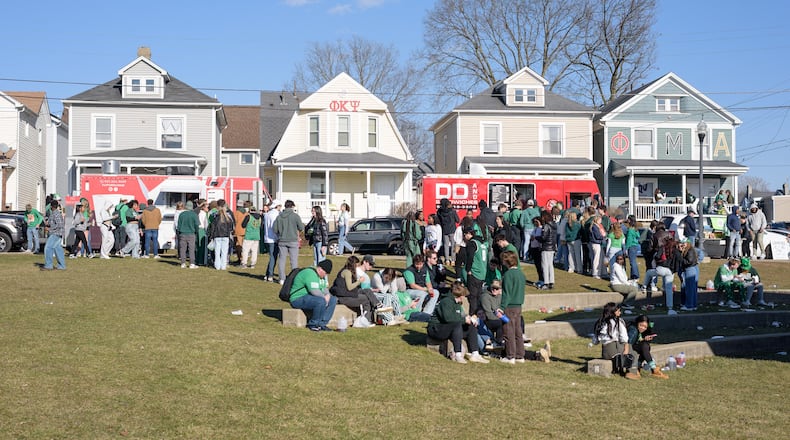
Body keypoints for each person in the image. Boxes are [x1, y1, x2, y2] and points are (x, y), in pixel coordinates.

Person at [426, 281, 490, 364]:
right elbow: (448, 319)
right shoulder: (446, 302)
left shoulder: (457, 303)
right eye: (463, 296)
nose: (464, 298)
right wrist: (463, 320)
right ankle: (457, 354)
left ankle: (475, 353)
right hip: (436, 329)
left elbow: (457, 316)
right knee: (456, 325)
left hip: (449, 328)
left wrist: (468, 319)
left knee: (471, 326)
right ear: (459, 296)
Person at [592, 302, 640, 380]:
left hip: (605, 352)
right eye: (618, 311)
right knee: (633, 352)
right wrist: (626, 346)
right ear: (613, 312)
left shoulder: (600, 322)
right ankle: (631, 371)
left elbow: (595, 341)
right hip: (614, 348)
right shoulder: (618, 321)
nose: (620, 313)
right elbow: (624, 336)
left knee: (626, 350)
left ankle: (625, 369)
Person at [289, 259, 337, 332]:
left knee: (333, 299)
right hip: (297, 298)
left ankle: (322, 324)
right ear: (320, 269)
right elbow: (314, 291)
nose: (325, 275)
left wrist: (327, 295)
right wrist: (324, 298)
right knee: (320, 301)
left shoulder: (321, 277)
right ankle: (313, 324)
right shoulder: (310, 273)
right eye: (325, 273)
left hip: (309, 298)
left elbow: (324, 288)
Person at [330, 256, 381, 322]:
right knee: (365, 299)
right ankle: (367, 320)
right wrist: (359, 281)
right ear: (353, 264)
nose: (357, 267)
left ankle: (377, 305)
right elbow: (349, 287)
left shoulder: (349, 271)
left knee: (367, 291)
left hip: (347, 293)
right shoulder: (347, 272)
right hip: (343, 296)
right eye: (357, 265)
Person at [499, 250, 526, 363]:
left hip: (509, 306)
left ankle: (511, 356)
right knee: (518, 331)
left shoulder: (508, 275)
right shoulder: (521, 274)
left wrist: (501, 306)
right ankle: (520, 355)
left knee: (508, 331)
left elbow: (507, 293)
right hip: (518, 305)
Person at [273, 200, 305, 285]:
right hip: (293, 240)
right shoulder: (295, 216)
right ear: (292, 206)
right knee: (293, 260)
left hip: (282, 240)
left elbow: (275, 229)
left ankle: (282, 279)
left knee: (282, 260)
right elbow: (301, 227)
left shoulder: (279, 217)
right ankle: (294, 278)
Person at [463, 226, 489, 314]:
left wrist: (468, 269)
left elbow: (470, 257)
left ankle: (473, 314)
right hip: (482, 272)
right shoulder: (482, 244)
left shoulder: (472, 243)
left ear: (468, 234)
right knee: (479, 295)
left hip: (475, 272)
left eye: (465, 234)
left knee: (473, 296)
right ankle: (480, 314)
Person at [208, 200, 235, 270]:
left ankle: (217, 265)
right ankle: (223, 266)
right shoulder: (228, 217)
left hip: (217, 235)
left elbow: (213, 227)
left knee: (217, 251)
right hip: (226, 235)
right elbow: (231, 227)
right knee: (224, 252)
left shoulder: (215, 216)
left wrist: (211, 236)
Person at [41, 199, 66, 271]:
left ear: (51, 206)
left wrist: (49, 229)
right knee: (58, 249)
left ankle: (49, 265)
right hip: (58, 233)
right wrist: (46, 223)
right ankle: (62, 266)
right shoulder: (54, 213)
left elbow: (59, 225)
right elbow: (52, 223)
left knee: (48, 248)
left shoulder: (56, 214)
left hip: (56, 233)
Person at [176, 202, 200, 269]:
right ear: (192, 207)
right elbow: (196, 225)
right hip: (191, 233)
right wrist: (196, 231)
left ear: (185, 207)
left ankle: (183, 263)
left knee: (182, 249)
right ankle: (192, 263)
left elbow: (179, 226)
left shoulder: (181, 214)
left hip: (182, 233)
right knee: (191, 249)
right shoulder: (194, 215)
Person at [436, 198, 460, 264]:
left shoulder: (439, 212)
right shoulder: (452, 211)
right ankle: (453, 260)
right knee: (453, 245)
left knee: (446, 245)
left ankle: (447, 260)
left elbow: (438, 220)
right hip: (452, 230)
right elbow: (458, 220)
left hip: (444, 230)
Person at [263, 199, 281, 281]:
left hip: (267, 238)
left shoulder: (267, 214)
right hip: (273, 239)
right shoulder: (276, 215)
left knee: (271, 257)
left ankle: (267, 274)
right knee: (273, 257)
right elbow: (275, 228)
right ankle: (270, 275)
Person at [538, 210, 557, 289]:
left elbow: (543, 237)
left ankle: (546, 282)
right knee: (550, 265)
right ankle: (551, 281)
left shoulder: (546, 226)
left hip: (546, 247)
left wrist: (537, 237)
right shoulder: (554, 225)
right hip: (552, 247)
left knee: (545, 265)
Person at [679, 239, 700, 311]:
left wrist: (680, 257)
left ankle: (689, 305)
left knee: (689, 289)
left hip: (689, 269)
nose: (683, 244)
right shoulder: (691, 250)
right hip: (692, 269)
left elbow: (689, 261)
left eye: (684, 243)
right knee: (692, 289)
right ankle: (693, 305)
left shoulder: (690, 250)